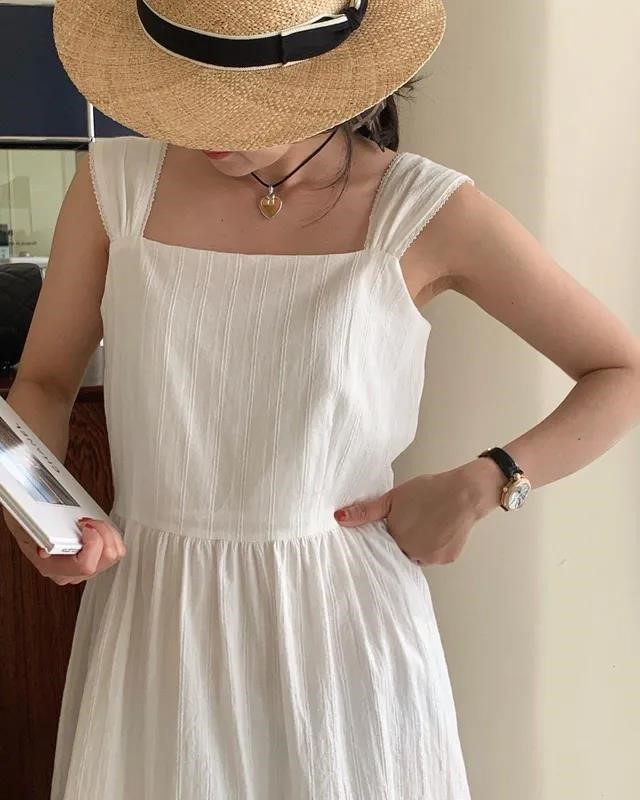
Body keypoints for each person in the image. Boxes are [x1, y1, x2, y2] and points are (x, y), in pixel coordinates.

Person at [3, 1, 640, 798]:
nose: (210, 127)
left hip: (344, 638)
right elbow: (45, 382)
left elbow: (619, 370)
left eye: (240, 100)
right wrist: (37, 509)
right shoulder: (114, 187)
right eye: (189, 88)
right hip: (157, 620)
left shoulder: (420, 209)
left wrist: (489, 482)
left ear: (322, 73)